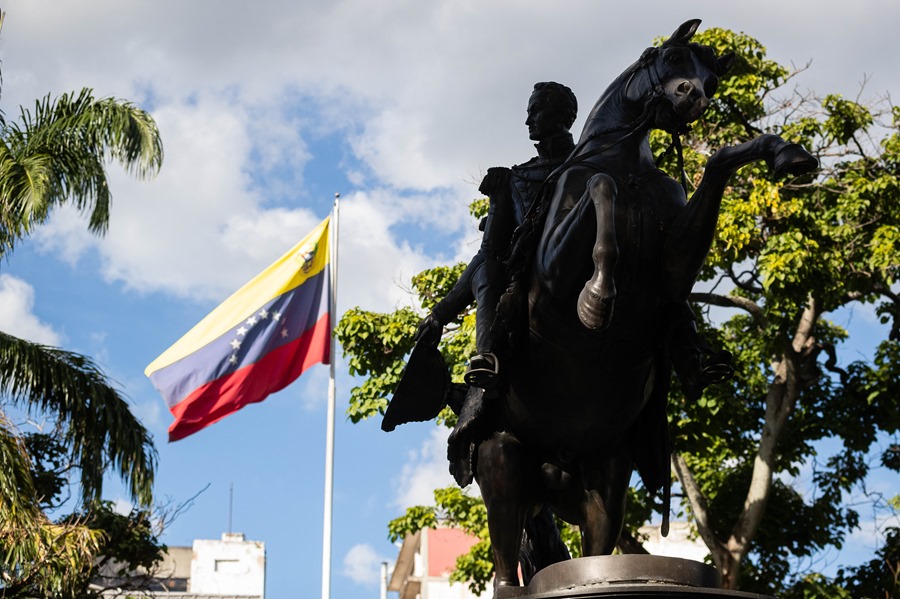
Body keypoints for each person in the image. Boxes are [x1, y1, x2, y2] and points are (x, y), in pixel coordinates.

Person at [417, 82, 579, 390]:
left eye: (535, 111)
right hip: (529, 276)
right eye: (528, 112)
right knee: (489, 267)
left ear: (561, 114)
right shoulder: (512, 179)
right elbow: (488, 251)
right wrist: (440, 314)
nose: (528, 121)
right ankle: (487, 354)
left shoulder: (591, 161)